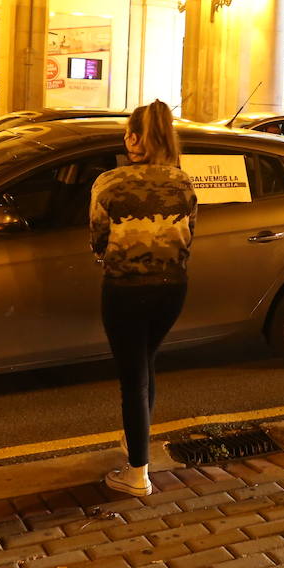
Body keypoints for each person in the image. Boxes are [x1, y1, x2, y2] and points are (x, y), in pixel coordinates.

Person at [90, 100, 197, 497]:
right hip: (172, 287)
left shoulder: (109, 182)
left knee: (132, 379)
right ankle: (136, 438)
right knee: (146, 362)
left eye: (126, 133)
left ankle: (137, 473)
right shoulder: (183, 181)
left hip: (125, 289)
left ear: (134, 138)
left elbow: (98, 239)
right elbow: (190, 233)